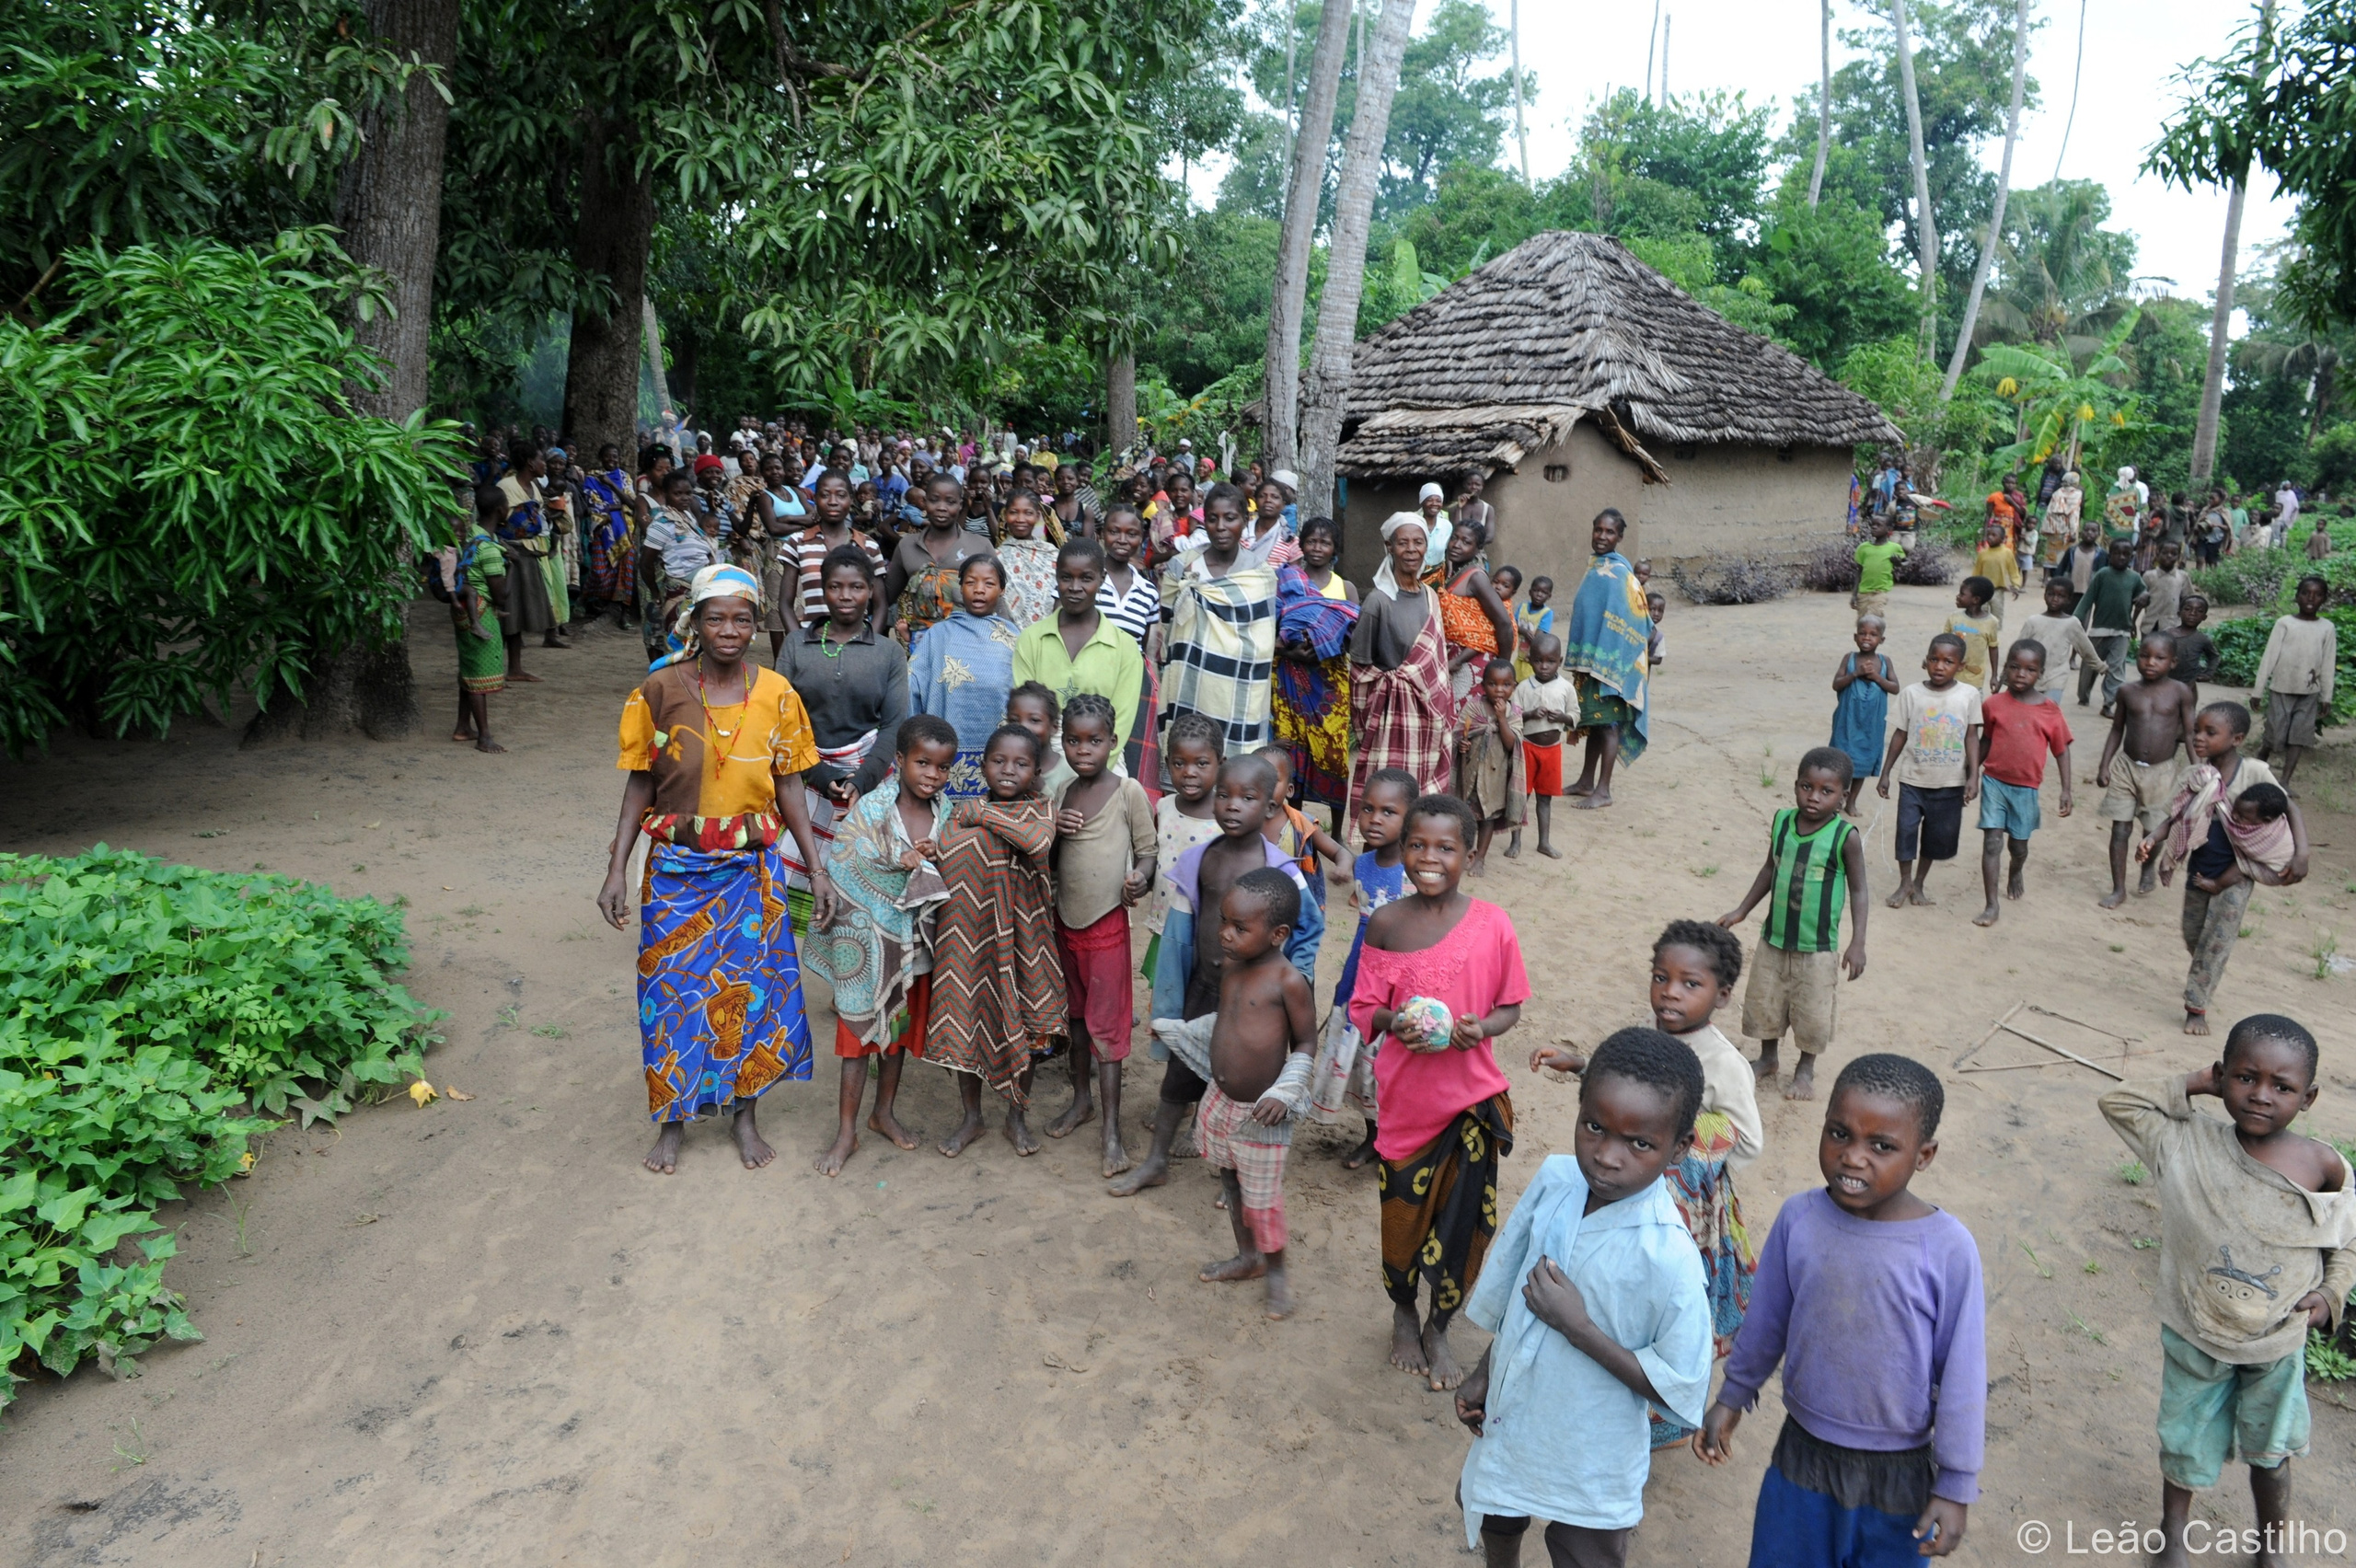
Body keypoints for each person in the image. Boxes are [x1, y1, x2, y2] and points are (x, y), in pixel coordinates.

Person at [1696, 1055, 1986, 1567]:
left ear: (1924, 1155)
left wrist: (1956, 1483)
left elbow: (1962, 1374)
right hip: (1803, 1455)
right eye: (1839, 1134)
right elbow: (1766, 1322)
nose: (1853, 1157)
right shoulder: (1800, 1219)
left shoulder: (1947, 1249)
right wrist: (1733, 1394)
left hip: (1899, 1476)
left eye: (1882, 1146)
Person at [596, 564, 833, 1176]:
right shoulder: (659, 689)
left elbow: (790, 786)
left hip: (751, 870)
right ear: (694, 623)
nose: (730, 630)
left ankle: (744, 1116)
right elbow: (640, 783)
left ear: (755, 626)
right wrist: (617, 869)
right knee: (668, 993)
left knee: (751, 995)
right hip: (674, 870)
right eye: (716, 618)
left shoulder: (777, 693)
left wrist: (817, 870)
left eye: (742, 619)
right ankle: (672, 1121)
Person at [2097, 1018, 2355, 1568]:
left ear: (2308, 1098)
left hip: (2276, 1345)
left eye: (2282, 1087)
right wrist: (2193, 1082)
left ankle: (2271, 1547)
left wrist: (2332, 1292)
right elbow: (2118, 1102)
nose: (2261, 1095)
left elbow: (2347, 1240)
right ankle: (2173, 1539)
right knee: (2183, 1442)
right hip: (2195, 1333)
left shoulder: (2324, 1166)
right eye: (2244, 1077)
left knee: (2273, 1452)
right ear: (2221, 1076)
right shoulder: (2184, 1143)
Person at [1452, 1027, 1712, 1568]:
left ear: (1679, 1148)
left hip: (1592, 1441)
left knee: (1584, 1549)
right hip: (1519, 1406)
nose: (1607, 1156)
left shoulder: (1669, 1255)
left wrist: (1579, 1329)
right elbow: (1523, 1292)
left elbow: (1679, 1385)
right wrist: (1485, 1370)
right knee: (1499, 1509)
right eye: (1594, 1127)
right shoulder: (1557, 1180)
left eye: (1640, 1144)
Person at [1529, 925, 1764, 1448]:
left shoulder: (1724, 1063)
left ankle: (1668, 1421)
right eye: (1661, 978)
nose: (1670, 993)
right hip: (1630, 1188)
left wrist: (1680, 1129)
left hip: (1685, 1206)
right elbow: (1630, 1089)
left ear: (1722, 995)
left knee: (1671, 1303)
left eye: (1690, 984)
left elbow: (1748, 1140)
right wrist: (1583, 1065)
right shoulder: (1649, 1039)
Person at [1352, 794, 1529, 1392]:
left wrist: (1483, 1027)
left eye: (1446, 848)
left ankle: (1438, 1325)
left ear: (1469, 856)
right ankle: (1403, 1311)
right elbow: (1364, 1008)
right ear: (1402, 851)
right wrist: (1394, 1021)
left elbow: (1510, 1006)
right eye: (1418, 845)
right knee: (1401, 1219)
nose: (1430, 857)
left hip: (1471, 1104)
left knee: (1463, 1226)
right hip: (1408, 1105)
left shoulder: (1494, 924)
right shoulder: (1387, 923)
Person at [1114, 753, 1322, 1198]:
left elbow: (1309, 926)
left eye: (1247, 798)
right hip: (1205, 987)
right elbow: (1179, 930)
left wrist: (1294, 979)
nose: (1232, 806)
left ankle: (1239, 1177)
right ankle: (1156, 1161)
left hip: (1256, 1000)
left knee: (1246, 1083)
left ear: (1270, 806)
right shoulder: (1201, 859)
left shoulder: (1279, 870)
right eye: (1224, 795)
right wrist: (1171, 996)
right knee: (1177, 1080)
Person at [1147, 869, 1319, 1320]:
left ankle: (1276, 1271)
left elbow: (1305, 1043)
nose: (1224, 933)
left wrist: (1285, 1091)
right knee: (1229, 1179)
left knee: (1263, 1200)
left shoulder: (1289, 982)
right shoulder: (1231, 968)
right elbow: (1224, 1024)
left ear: (1278, 934)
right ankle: (1248, 1256)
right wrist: (1179, 1033)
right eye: (1224, 921)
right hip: (1221, 1102)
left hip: (1261, 1116)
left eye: (1239, 928)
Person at [810, 713, 957, 1178]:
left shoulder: (946, 813)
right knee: (857, 1039)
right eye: (922, 763)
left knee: (897, 1032)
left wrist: (934, 856)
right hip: (868, 945)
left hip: (914, 949)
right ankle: (846, 1131)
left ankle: (883, 1113)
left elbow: (953, 866)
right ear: (899, 760)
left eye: (942, 767)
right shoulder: (872, 809)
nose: (932, 775)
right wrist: (899, 856)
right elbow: (847, 860)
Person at [926, 722, 1064, 1158]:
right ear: (983, 765)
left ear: (1036, 772)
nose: (1008, 770)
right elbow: (944, 854)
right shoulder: (959, 811)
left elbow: (1036, 842)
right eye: (999, 761)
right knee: (966, 1020)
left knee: (1029, 1024)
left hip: (1026, 942)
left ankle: (1016, 1117)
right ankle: (972, 1118)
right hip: (968, 941)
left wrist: (982, 817)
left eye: (1021, 763)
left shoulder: (1040, 810)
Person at [2136, 702, 2312, 1033]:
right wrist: (2151, 838)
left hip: (2237, 874)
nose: (2199, 738)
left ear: (2237, 739)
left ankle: (2196, 1007)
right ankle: (2207, 970)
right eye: (2197, 731)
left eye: (2210, 732)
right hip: (2200, 868)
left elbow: (2289, 806)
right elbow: (2175, 818)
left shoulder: (2253, 772)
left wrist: (2302, 852)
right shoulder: (2195, 776)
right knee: (2193, 934)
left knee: (2216, 940)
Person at [1044, 694, 1156, 1179]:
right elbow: (1048, 861)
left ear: (1113, 742)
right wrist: (1056, 831)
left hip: (1106, 924)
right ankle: (1081, 1101)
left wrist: (1139, 879)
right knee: (1075, 1019)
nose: (1083, 750)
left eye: (1094, 741)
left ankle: (1112, 1131)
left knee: (1107, 1029)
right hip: (1065, 923)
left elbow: (1149, 853)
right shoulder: (1064, 792)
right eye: (1073, 741)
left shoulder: (1128, 792)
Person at [1717, 746, 1870, 1102]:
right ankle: (1768, 1058)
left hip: (1817, 947)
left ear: (1843, 796)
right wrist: (1742, 910)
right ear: (1796, 785)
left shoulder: (1844, 837)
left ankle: (1804, 1069)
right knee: (1767, 1000)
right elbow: (1770, 868)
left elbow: (1860, 890)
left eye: (1826, 791)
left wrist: (1858, 942)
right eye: (1806, 787)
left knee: (1812, 1010)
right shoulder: (1783, 822)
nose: (1813, 797)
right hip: (1774, 938)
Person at [772, 547, 908, 930]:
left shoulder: (888, 653)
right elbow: (780, 720)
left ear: (871, 592)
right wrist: (818, 774)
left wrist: (861, 781)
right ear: (822, 589)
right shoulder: (796, 645)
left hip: (871, 777)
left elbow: (894, 725)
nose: (846, 596)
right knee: (793, 889)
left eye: (856, 587)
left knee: (866, 888)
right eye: (835, 587)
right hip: (804, 778)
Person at [1308, 767, 1414, 1169]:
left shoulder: (1415, 870)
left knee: (1391, 1066)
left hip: (1400, 985)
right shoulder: (1363, 864)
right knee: (1363, 1064)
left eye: (1389, 812)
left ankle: (1396, 1144)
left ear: (1410, 817)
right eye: (1367, 809)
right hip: (1361, 977)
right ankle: (1374, 1137)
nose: (1374, 819)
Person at [1162, 483, 1279, 753]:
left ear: (1245, 521)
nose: (1221, 527)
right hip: (1189, 684)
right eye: (1213, 519)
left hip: (1238, 690)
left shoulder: (1260, 576)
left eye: (1230, 518)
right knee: (1188, 755)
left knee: (1236, 768)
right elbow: (1165, 630)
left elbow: (1262, 645)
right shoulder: (1182, 566)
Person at [1351, 513, 1455, 804]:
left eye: (1418, 542)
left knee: (1424, 801)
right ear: (1390, 547)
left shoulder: (1430, 597)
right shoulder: (1378, 601)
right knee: (1390, 798)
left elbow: (1438, 663)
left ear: (1427, 547)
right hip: (1393, 720)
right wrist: (1392, 691)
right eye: (1403, 543)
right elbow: (1359, 671)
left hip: (1430, 716)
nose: (1411, 549)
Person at [1012, 537, 1145, 765]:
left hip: (1101, 759)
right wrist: (1044, 770)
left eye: (1086, 578)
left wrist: (1091, 773)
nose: (1074, 587)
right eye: (1066, 578)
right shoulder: (1032, 639)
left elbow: (1121, 722)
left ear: (1102, 579)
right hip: (1041, 758)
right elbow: (1024, 715)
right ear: (1056, 577)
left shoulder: (1124, 647)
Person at [1876, 635, 1982, 912]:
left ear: (1960, 666)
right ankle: (1905, 882)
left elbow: (1972, 736)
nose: (1940, 666)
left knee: (1935, 838)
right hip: (1913, 779)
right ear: (1926, 661)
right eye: (1934, 659)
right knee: (1906, 832)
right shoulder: (1912, 694)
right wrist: (1886, 772)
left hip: (1950, 782)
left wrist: (1974, 775)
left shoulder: (1969, 695)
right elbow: (1900, 734)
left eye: (1948, 661)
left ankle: (1919, 883)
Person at [1972, 641, 2074, 928]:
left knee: (2018, 845)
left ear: (2040, 673)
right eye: (2015, 667)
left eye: (2030, 669)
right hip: (1994, 781)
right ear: (2006, 668)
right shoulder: (1993, 704)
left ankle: (2016, 870)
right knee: (1992, 842)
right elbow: (1986, 740)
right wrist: (1970, 775)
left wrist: (2066, 790)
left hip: (2026, 788)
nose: (2021, 674)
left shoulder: (2049, 710)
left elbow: (2062, 750)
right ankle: (1991, 905)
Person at [2095, 631, 2200, 909]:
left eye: (2159, 658)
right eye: (2144, 656)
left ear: (2173, 662)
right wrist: (2105, 764)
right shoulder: (2127, 691)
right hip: (2126, 768)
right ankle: (2118, 889)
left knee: (2154, 830)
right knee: (2120, 829)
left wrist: (2198, 770)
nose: (2150, 662)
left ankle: (2147, 867)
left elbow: (2190, 734)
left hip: (2162, 772)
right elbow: (2117, 729)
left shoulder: (2180, 692)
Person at [907, 555, 1019, 801]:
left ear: (1002, 589)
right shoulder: (938, 635)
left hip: (1000, 767)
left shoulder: (1013, 638)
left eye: (989, 583)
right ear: (960, 587)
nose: (979, 590)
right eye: (970, 582)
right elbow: (912, 689)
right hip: (941, 764)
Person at [1563, 509, 1652, 809]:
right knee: (1596, 722)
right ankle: (1586, 781)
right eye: (1598, 530)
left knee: (1610, 724)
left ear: (1620, 537)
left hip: (1612, 667)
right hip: (1593, 664)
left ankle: (1604, 791)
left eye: (1610, 532)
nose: (1602, 536)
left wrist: (1613, 660)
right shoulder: (1597, 567)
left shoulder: (1621, 575)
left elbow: (1640, 621)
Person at [1272, 516, 1359, 820]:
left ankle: (1336, 832)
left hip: (1330, 683)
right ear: (1302, 545)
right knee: (1293, 753)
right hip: (1291, 679)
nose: (1317, 548)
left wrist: (1323, 647)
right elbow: (1271, 630)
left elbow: (1354, 635)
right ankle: (1296, 826)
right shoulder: (1286, 581)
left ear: (1335, 548)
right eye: (1311, 541)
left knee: (1334, 755)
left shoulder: (1344, 587)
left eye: (1325, 542)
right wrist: (1293, 651)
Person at [1145, 711, 1224, 990]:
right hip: (1165, 924)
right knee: (1164, 994)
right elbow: (1157, 858)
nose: (1189, 772)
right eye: (1179, 763)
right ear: (1168, 763)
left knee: (1199, 994)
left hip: (1206, 931)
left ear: (1221, 764)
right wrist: (1140, 880)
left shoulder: (1226, 819)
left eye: (1201, 763)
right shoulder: (1163, 808)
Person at [883, 471, 987, 650]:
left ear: (961, 505)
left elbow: (997, 601)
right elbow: (886, 597)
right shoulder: (907, 546)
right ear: (925, 503)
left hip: (970, 647)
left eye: (950, 502)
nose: (941, 507)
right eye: (934, 500)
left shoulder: (979, 545)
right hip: (922, 648)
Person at [2253, 574, 2338, 789]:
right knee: (2274, 735)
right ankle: (2258, 764)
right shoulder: (2285, 623)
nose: (2311, 598)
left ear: (2325, 599)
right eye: (2306, 593)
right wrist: (2258, 691)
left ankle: (2285, 781)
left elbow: (2328, 663)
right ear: (2297, 596)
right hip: (2282, 688)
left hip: (2309, 692)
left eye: (2318, 595)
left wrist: (2326, 696)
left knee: (2299, 736)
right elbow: (2269, 657)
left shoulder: (2327, 628)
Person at [786, 469, 885, 638]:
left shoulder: (868, 545)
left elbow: (880, 605)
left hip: (857, 641)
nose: (833, 502)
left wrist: (868, 642)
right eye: (825, 495)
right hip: (811, 640)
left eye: (841, 495)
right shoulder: (798, 542)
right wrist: (799, 643)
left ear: (851, 500)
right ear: (815, 499)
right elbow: (785, 603)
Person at [450, 487, 511, 753]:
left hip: (463, 609)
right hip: (481, 611)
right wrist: (513, 566)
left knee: (470, 667)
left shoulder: (472, 534)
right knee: (480, 674)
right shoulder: (490, 549)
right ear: (500, 510)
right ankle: (484, 736)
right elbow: (501, 596)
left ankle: (463, 726)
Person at [1435, 519, 1517, 706]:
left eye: (1466, 542)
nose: (1457, 545)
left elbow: (1503, 623)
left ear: (1478, 548)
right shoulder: (1451, 572)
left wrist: (1503, 668)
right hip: (1455, 660)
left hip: (1472, 665)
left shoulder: (1476, 577)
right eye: (1454, 538)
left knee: (1468, 719)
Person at [1509, 634, 1576, 859]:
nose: (1544, 666)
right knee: (1521, 797)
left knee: (1545, 798)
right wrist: (1530, 714)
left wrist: (1563, 718)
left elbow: (1575, 715)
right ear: (1529, 660)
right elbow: (1513, 716)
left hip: (1552, 750)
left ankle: (1544, 842)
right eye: (1538, 661)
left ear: (1560, 661)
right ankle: (1515, 841)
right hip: (1527, 748)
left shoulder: (1566, 687)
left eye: (1551, 661)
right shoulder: (1523, 688)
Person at [1456, 658, 1522, 876]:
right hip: (1470, 775)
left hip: (1495, 778)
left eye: (1506, 685)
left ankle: (1480, 858)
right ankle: (1463, 854)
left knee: (1488, 818)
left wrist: (1501, 718)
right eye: (1493, 684)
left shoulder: (1514, 712)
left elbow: (1512, 744)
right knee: (1465, 816)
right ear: (1483, 685)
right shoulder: (1474, 706)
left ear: (1514, 686)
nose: (1499, 690)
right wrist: (1462, 744)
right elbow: (1459, 734)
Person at [1829, 616, 1899, 816]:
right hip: (1847, 721)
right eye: (1862, 633)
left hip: (1871, 724)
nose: (1867, 638)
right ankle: (1836, 800)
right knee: (1841, 760)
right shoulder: (1849, 659)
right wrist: (1855, 674)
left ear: (1881, 639)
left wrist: (1876, 677)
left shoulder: (1885, 662)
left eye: (1873, 634)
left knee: (1863, 761)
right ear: (1855, 637)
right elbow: (1836, 684)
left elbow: (1895, 688)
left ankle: (1851, 802)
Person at [2012, 575, 2105, 711]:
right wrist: (2006, 677)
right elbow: (2018, 650)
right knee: (2028, 712)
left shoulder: (2072, 623)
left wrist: (2100, 666)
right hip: (2031, 677)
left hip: (2056, 677)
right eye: (2051, 594)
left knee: (2049, 712)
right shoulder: (2033, 621)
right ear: (2045, 595)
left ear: (2069, 599)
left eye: (2061, 596)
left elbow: (2085, 649)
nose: (2055, 599)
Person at [2075, 536, 2142, 713]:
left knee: (2116, 669)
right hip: (2098, 631)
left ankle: (2109, 703)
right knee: (2090, 666)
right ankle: (2083, 695)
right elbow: (2087, 599)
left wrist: (2144, 598)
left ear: (2131, 557)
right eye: (2117, 553)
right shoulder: (2102, 575)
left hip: (2122, 632)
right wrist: (2075, 620)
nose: (2121, 557)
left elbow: (2143, 594)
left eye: (2126, 554)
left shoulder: (2135, 578)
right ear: (2109, 555)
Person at [579, 443, 637, 626]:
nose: (611, 460)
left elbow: (632, 503)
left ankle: (624, 613)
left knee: (626, 572)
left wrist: (610, 484)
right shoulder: (592, 477)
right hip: (603, 529)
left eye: (615, 456)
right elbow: (592, 504)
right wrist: (618, 506)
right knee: (599, 570)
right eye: (607, 456)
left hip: (625, 530)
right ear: (600, 458)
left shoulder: (624, 477)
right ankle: (591, 600)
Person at [993, 488, 1059, 628]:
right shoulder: (996, 557)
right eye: (1013, 512)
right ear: (1005, 515)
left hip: (1049, 631)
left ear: (1037, 516)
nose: (1020, 519)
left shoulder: (1053, 555)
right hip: (1009, 633)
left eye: (1028, 513)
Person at [1939, 576, 2003, 692]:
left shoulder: (1991, 622)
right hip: (1950, 675)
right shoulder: (1954, 617)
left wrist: (1994, 675)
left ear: (1976, 600)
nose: (1958, 596)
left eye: (1962, 594)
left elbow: (1993, 648)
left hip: (1974, 680)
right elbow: (1942, 642)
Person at [1851, 516, 1906, 620]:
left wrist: (1898, 563)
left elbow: (1905, 562)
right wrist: (1854, 595)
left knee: (1873, 618)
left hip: (1879, 592)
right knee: (1862, 622)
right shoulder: (1863, 548)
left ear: (1889, 529)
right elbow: (1858, 572)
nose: (1874, 527)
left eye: (1878, 525)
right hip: (1863, 593)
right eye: (1873, 525)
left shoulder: (1894, 548)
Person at [2169, 594, 2219, 692]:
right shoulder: (2166, 634)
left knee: (2187, 702)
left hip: (2188, 686)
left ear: (2204, 617)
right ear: (2179, 613)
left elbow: (2214, 657)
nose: (2193, 613)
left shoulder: (2202, 639)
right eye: (2187, 609)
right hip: (2165, 682)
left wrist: (2208, 674)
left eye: (2199, 611)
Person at [1513, 574, 1555, 684]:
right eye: (1536, 590)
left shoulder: (1547, 613)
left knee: (1530, 685)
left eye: (1544, 592)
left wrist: (1520, 629)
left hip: (1532, 660)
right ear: (1530, 592)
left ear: (1549, 596)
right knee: (1516, 682)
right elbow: (1512, 624)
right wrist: (1524, 631)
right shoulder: (1522, 607)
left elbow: (1539, 637)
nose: (1539, 594)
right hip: (1520, 657)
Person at [1970, 524, 2020, 612]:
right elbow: (1977, 572)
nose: (1990, 537)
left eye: (1994, 535)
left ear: (2002, 539)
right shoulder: (1983, 554)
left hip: (1998, 591)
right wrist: (1972, 587)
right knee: (1981, 615)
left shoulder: (2007, 553)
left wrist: (2016, 585)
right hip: (1983, 591)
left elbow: (2013, 571)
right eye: (1988, 535)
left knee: (1997, 615)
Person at [2042, 469, 2085, 572]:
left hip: (2054, 528)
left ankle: (2045, 577)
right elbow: (2072, 514)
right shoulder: (2077, 494)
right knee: (2066, 553)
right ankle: (2061, 574)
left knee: (2051, 552)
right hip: (2068, 528)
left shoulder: (2057, 493)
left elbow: (2050, 512)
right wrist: (2073, 531)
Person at [1415, 480, 1455, 571]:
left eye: (1438, 501)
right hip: (1414, 573)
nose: (1434, 504)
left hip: (1438, 575)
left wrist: (1450, 568)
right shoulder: (1413, 524)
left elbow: (1447, 551)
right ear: (1422, 501)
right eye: (1429, 500)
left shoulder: (1446, 526)